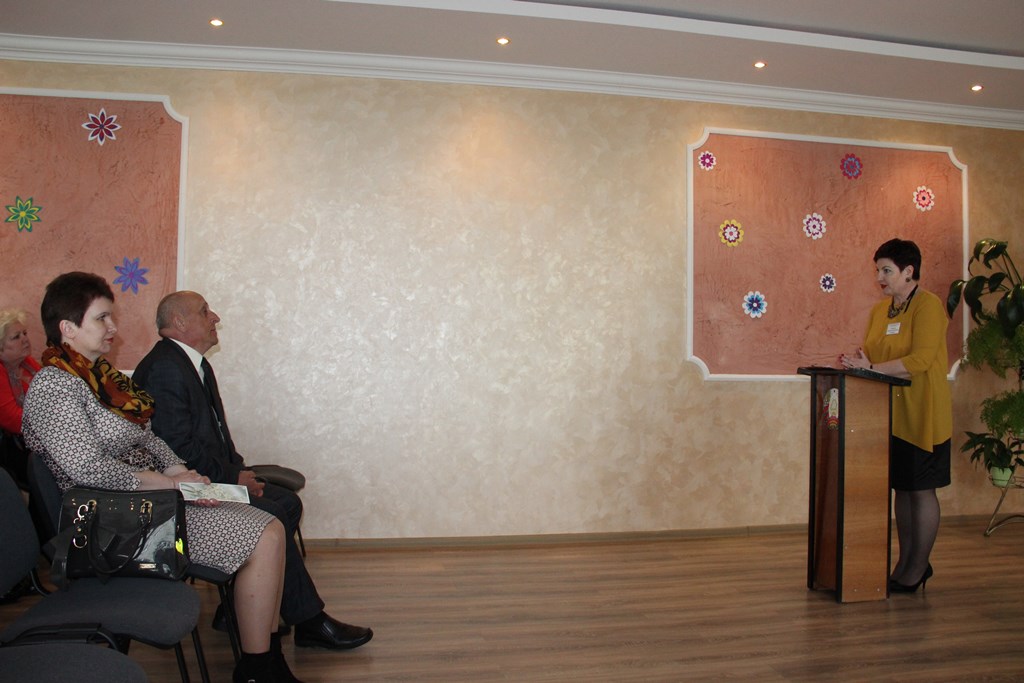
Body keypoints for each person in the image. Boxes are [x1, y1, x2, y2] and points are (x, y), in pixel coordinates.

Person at [21, 272, 302, 683]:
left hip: (143, 502)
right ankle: (259, 668)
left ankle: (264, 661)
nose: (113, 327)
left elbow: (148, 438)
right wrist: (169, 485)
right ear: (68, 328)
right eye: (101, 318)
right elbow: (87, 469)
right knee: (264, 533)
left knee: (270, 524)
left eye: (110, 317)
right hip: (106, 524)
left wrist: (178, 471)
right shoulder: (54, 386)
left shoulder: (100, 377)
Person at [133, 290, 372, 650]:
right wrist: (233, 479)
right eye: (205, 312)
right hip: (188, 489)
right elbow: (177, 447)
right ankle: (308, 621)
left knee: (287, 502)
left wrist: (241, 473)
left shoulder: (193, 364)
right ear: (179, 322)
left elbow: (216, 436)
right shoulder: (165, 368)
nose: (215, 318)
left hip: (211, 478)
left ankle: (238, 606)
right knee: (272, 511)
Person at [840, 238, 953, 593]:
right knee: (902, 490)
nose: (879, 278)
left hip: (922, 413)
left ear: (909, 272)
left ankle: (918, 567)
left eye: (886, 270)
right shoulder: (880, 312)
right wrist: (861, 363)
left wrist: (872, 367)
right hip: (890, 415)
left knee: (921, 490)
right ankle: (904, 564)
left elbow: (920, 360)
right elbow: (873, 355)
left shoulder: (929, 306)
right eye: (878, 270)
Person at [0, 308, 41, 486]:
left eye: (24, 333)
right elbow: (14, 420)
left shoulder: (27, 363)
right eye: (16, 337)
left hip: (42, 438)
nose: (25, 339)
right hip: (19, 449)